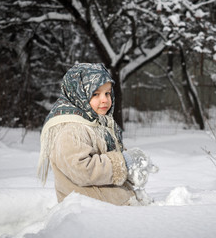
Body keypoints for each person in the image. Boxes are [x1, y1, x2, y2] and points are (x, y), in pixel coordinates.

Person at [38, 63, 157, 206]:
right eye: (95, 94)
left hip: (109, 206)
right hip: (88, 211)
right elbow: (83, 169)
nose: (105, 100)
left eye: (107, 93)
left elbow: (108, 154)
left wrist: (131, 167)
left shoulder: (97, 125)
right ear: (78, 94)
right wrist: (123, 162)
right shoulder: (71, 130)